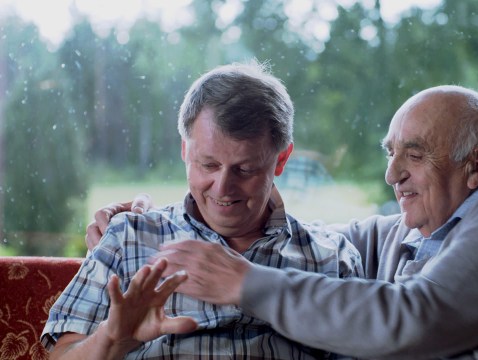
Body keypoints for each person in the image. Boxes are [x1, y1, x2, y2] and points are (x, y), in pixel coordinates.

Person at [85, 85, 478, 359]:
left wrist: (243, 281)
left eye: (415, 154)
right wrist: (140, 225)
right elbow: (298, 240)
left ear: (476, 167)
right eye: (389, 153)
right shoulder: (402, 233)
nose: (391, 174)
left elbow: (418, 319)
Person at [41, 61, 363, 359]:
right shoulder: (129, 237)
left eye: (245, 169)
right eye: (208, 164)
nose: (222, 188)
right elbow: (61, 354)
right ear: (185, 150)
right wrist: (113, 338)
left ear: (280, 160)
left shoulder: (331, 258)